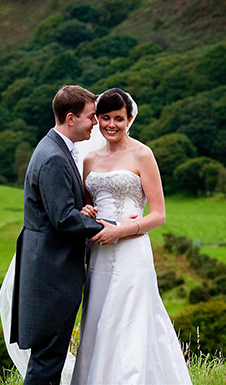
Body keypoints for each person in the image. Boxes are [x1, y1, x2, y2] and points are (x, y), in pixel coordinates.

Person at [0, 85, 134, 385]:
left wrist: (80, 210)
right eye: (91, 117)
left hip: (48, 271)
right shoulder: (54, 157)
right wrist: (110, 229)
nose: (96, 124)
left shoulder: (53, 148)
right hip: (52, 276)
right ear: (71, 119)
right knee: (47, 363)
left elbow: (59, 208)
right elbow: (62, 219)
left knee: (48, 360)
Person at [71, 88, 192, 384]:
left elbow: (158, 215)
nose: (111, 125)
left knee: (129, 323)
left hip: (131, 253)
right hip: (99, 253)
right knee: (100, 322)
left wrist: (122, 230)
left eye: (119, 118)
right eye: (105, 118)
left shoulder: (142, 154)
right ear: (97, 119)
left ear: (130, 118)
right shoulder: (89, 159)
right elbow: (88, 205)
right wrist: (86, 211)